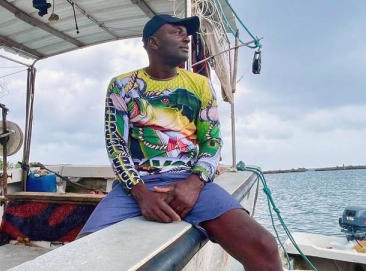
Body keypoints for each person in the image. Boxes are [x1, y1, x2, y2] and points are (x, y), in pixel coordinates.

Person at [79, 14, 282, 270]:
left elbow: (212, 141)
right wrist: (141, 195)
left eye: (186, 33)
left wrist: (194, 184)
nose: (186, 37)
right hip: (136, 186)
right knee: (81, 257)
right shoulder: (121, 86)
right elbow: (116, 144)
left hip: (190, 180)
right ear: (153, 42)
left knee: (264, 246)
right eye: (176, 32)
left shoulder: (200, 85)